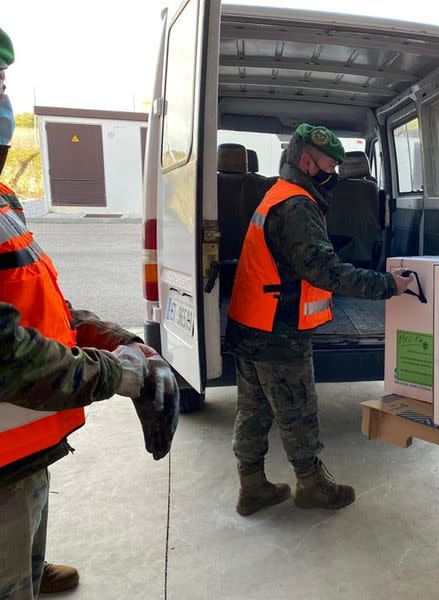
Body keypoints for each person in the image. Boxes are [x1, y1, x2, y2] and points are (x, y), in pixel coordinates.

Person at [0, 27, 177, 599]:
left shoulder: (2, 198)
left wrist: (111, 333)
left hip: (20, 443)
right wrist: (122, 374)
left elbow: (38, 301)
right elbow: (9, 357)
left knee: (29, 505)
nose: (5, 101)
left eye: (2, 83)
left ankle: (28, 564)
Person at [226, 124, 413, 515]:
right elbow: (325, 272)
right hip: (278, 330)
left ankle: (253, 486)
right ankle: (312, 486)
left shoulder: (277, 194)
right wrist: (387, 285)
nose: (337, 174)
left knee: (254, 409)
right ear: (308, 161)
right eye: (331, 164)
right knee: (297, 411)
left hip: (249, 322)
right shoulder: (297, 205)